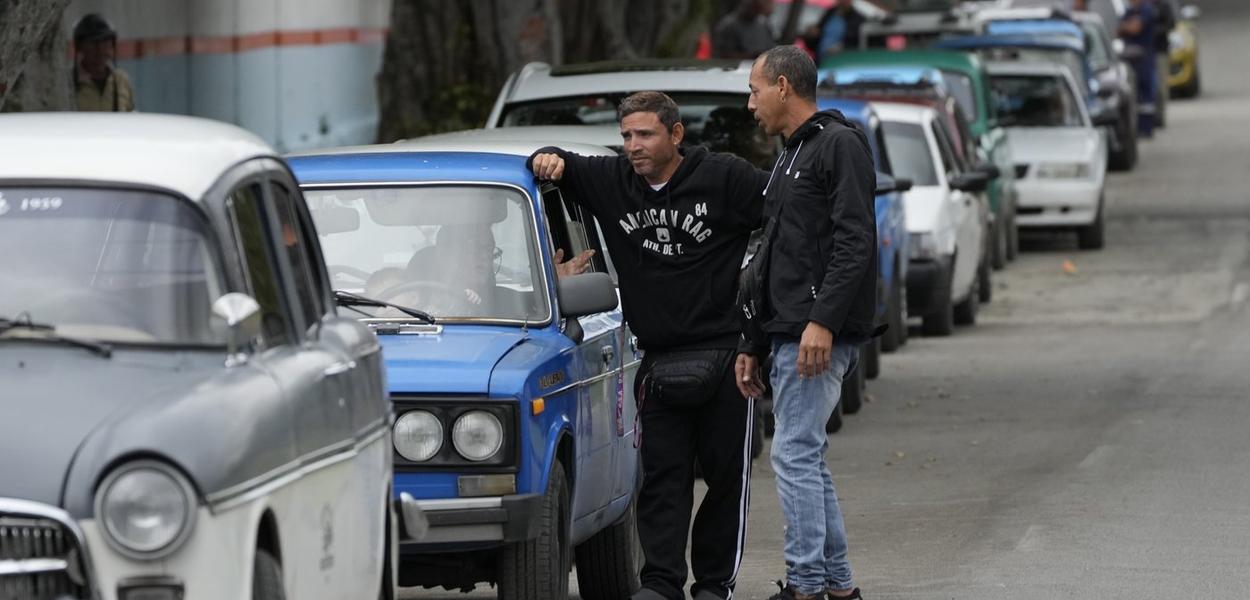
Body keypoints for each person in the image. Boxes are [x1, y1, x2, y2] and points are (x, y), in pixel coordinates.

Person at [528, 91, 768, 600]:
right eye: (627, 136)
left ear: (675, 135)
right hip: (659, 362)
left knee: (727, 481)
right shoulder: (614, 181)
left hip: (728, 357)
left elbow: (785, 216)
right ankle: (660, 583)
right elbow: (557, 164)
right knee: (662, 481)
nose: (634, 146)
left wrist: (764, 302)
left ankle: (713, 585)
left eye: (645, 135)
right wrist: (543, 157)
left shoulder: (724, 177)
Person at [737, 45, 877, 600]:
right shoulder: (791, 153)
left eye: (754, 90)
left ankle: (806, 585)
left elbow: (855, 241)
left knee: (793, 453)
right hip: (785, 326)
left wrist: (822, 322)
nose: (750, 104)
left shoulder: (839, 145)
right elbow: (772, 252)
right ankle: (837, 586)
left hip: (814, 331)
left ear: (783, 88)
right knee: (805, 454)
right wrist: (752, 338)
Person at [72, 13, 135, 112]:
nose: (100, 50)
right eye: (94, 43)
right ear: (80, 46)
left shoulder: (121, 81)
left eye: (105, 43)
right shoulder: (68, 82)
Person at [1120, 0, 1157, 137]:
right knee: (1135, 94)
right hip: (1131, 58)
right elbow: (1119, 29)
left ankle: (1146, 128)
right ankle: (1137, 127)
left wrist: (1128, 26)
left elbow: (1136, 28)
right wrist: (1127, 26)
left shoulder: (1146, 9)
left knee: (1146, 93)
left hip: (1144, 57)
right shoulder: (1129, 11)